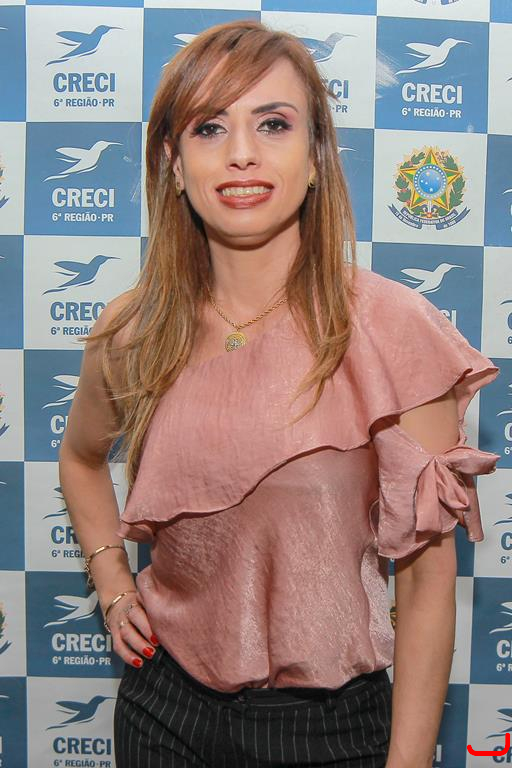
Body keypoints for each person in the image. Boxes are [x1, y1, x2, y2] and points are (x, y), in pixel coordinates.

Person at [58, 19, 500, 768]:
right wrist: (112, 582)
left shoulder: (393, 330)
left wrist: (409, 761)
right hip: (161, 714)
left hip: (333, 733)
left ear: (316, 155)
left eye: (273, 123)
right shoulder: (135, 328)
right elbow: (80, 458)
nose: (242, 153)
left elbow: (428, 581)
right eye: (209, 127)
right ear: (173, 164)